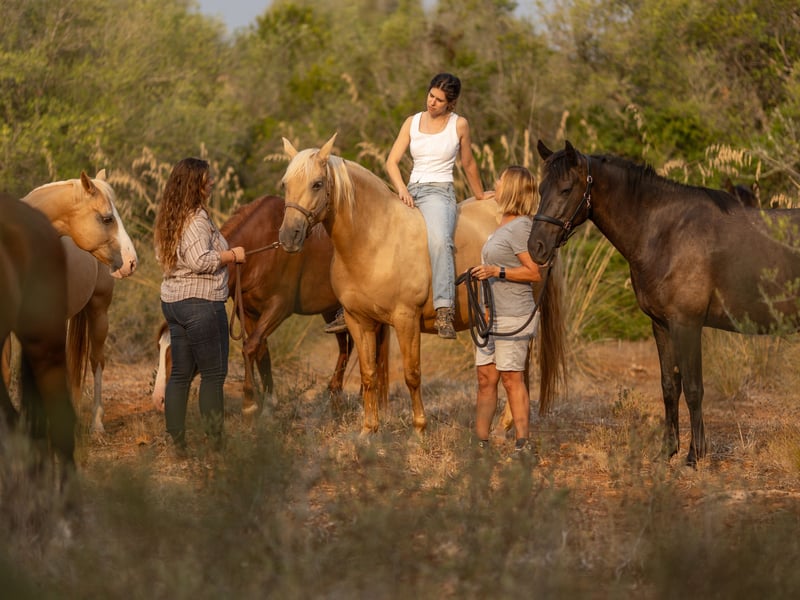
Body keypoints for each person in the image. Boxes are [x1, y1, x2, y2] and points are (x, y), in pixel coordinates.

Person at [324, 72, 489, 337]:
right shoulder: (412, 122)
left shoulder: (459, 125)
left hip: (440, 193)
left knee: (439, 241)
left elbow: (468, 163)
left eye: (439, 100)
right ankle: (352, 305)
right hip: (409, 191)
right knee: (370, 235)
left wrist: (479, 195)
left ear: (451, 103)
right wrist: (401, 190)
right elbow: (391, 162)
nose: (432, 102)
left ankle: (444, 309)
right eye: (431, 95)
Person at [153, 157, 245, 452]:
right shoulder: (195, 220)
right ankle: (216, 442)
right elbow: (199, 260)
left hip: (175, 302)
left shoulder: (170, 217)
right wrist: (232, 256)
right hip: (200, 304)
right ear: (195, 185)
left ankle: (177, 441)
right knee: (213, 375)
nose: (212, 182)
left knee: (181, 374)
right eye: (207, 179)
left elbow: (164, 257)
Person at [469, 166, 543, 455]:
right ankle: (480, 443)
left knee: (512, 379)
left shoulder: (522, 227)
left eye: (500, 181)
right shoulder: (503, 224)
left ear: (511, 188)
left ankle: (523, 444)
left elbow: (534, 272)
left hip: (513, 314)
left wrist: (495, 271)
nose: (495, 184)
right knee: (485, 379)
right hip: (491, 316)